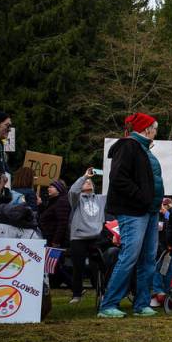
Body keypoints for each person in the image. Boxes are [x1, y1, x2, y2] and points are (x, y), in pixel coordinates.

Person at [97, 112, 164, 318]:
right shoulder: (129, 146)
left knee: (147, 259)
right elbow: (118, 178)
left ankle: (141, 303)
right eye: (154, 128)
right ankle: (108, 304)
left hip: (149, 211)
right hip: (134, 211)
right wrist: (143, 197)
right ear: (146, 129)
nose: (155, 132)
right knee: (129, 257)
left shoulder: (142, 149)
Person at [67, 168, 107, 303]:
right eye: (86, 182)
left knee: (98, 267)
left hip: (96, 237)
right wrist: (84, 176)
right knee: (78, 267)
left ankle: (101, 293)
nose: (88, 182)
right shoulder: (76, 200)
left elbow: (115, 191)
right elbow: (73, 190)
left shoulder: (101, 199)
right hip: (78, 238)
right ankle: (76, 294)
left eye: (90, 181)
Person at [38, 179, 71, 248]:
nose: (48, 189)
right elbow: (49, 215)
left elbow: (62, 223)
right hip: (49, 237)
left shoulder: (62, 201)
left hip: (54, 241)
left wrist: (56, 241)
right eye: (49, 187)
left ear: (59, 189)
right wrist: (41, 205)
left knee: (54, 258)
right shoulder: (53, 200)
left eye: (51, 187)